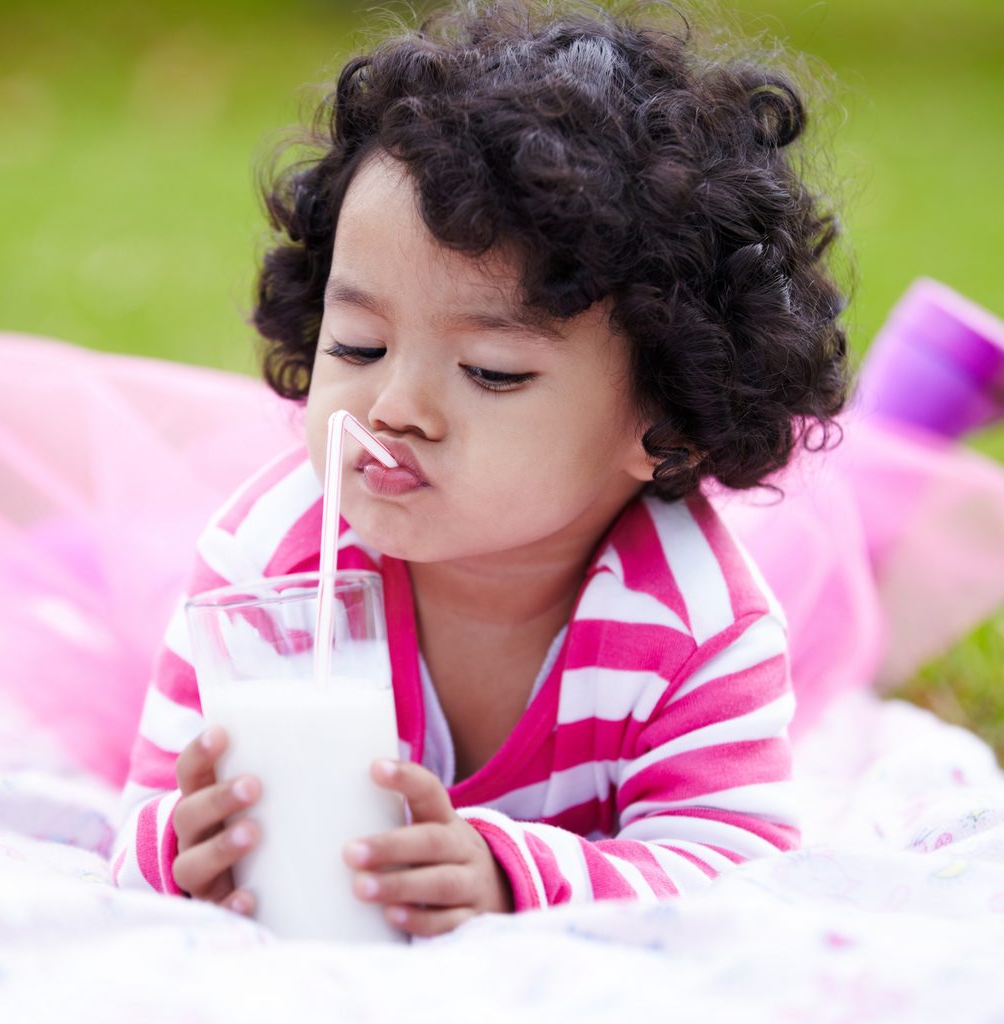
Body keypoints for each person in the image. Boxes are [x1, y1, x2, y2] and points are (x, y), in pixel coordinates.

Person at [110, 0, 855, 936]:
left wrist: (511, 875)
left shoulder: (695, 625)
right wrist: (182, 849)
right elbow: (142, 815)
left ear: (665, 421)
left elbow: (737, 863)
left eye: (491, 372)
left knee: (848, 650)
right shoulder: (267, 566)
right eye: (358, 346)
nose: (394, 408)